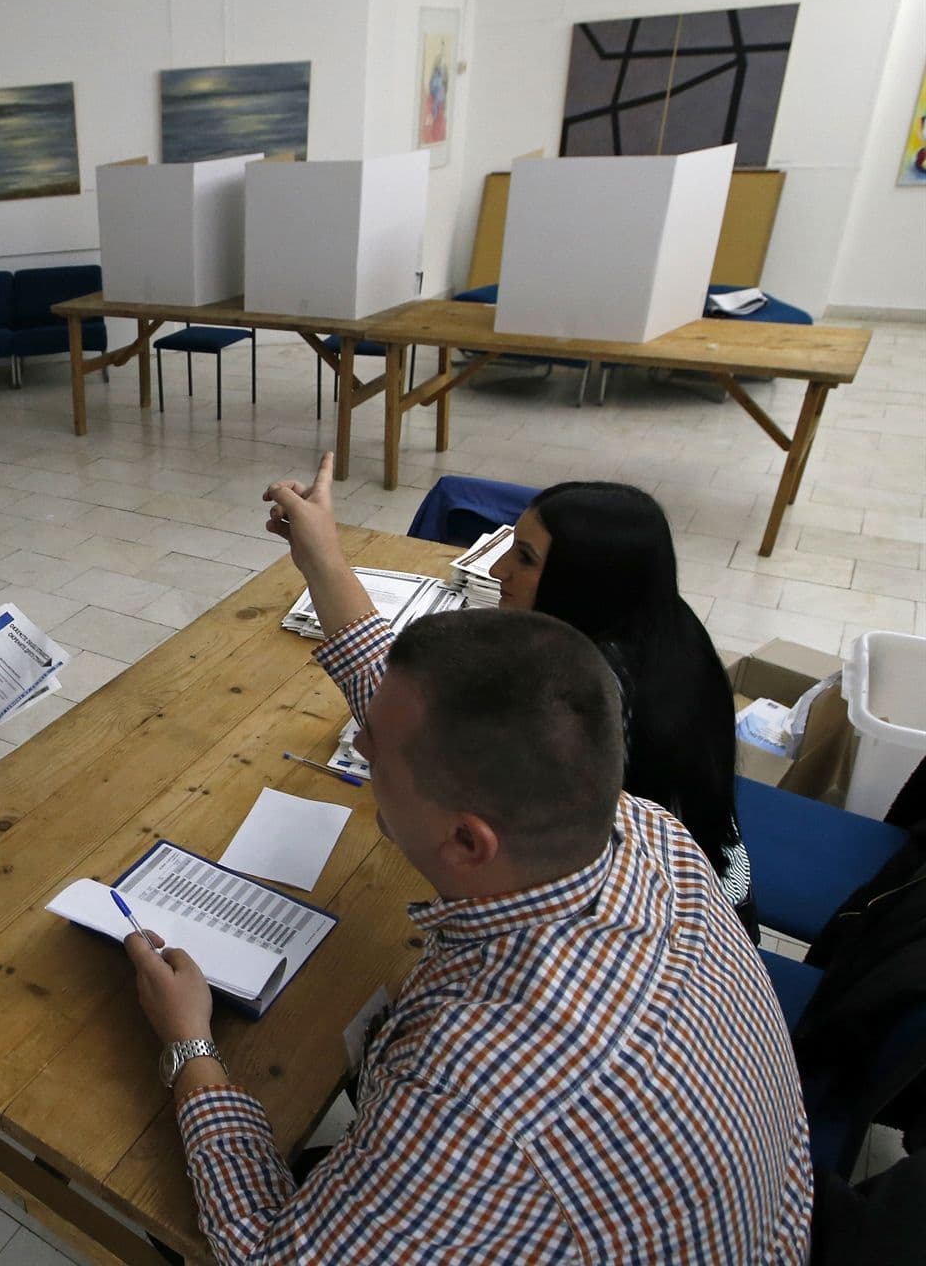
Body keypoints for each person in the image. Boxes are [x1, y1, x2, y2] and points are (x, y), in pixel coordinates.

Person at [124, 452, 812, 1263]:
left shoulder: (474, 1090)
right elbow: (392, 688)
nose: (361, 747)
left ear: (466, 841)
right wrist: (321, 556)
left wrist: (190, 1047)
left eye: (370, 751)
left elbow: (275, 1255)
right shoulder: (653, 831)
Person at [491, 481, 756, 935]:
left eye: (525, 558)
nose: (499, 570)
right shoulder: (667, 624)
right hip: (711, 872)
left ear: (582, 580)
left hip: (668, 926)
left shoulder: (585, 692)